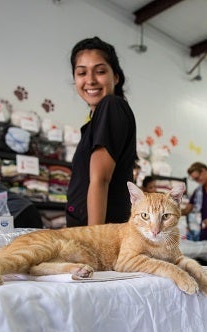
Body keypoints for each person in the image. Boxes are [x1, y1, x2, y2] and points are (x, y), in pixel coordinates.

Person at [65, 37, 137, 227]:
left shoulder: (111, 106)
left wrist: (94, 243)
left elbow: (100, 179)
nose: (90, 80)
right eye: (81, 72)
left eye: (100, 71)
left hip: (100, 239)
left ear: (116, 77)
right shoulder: (95, 122)